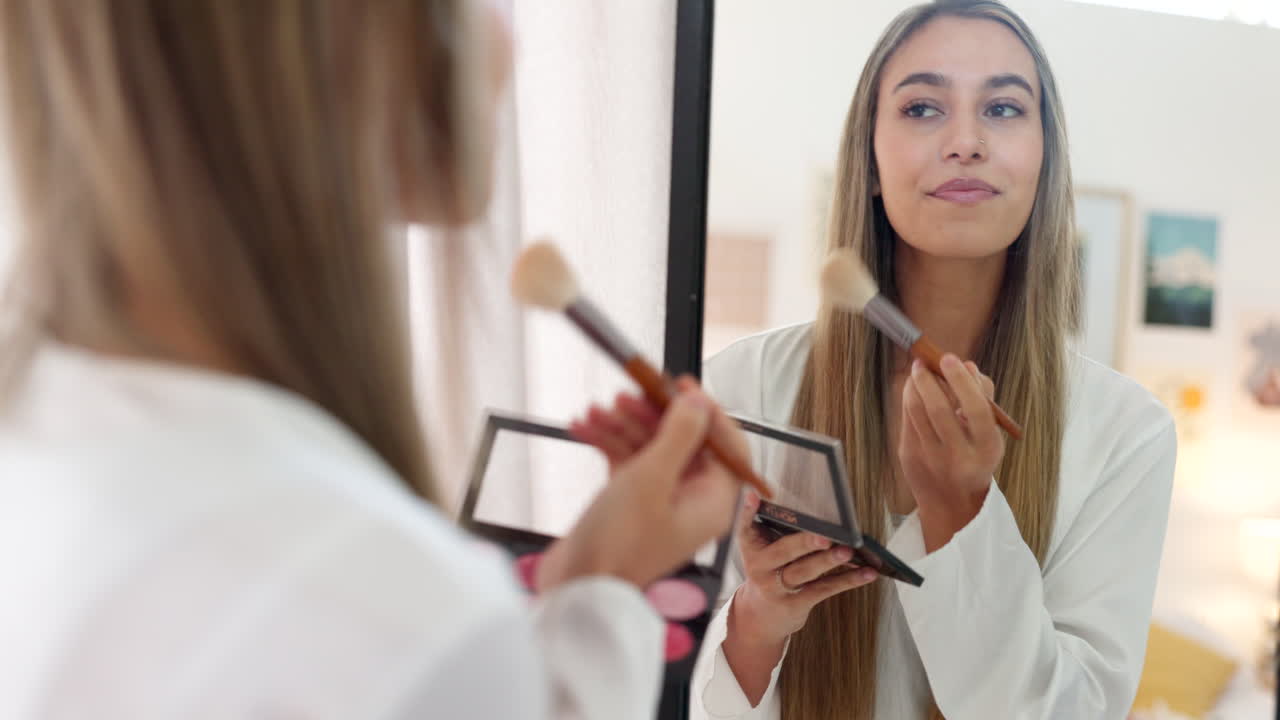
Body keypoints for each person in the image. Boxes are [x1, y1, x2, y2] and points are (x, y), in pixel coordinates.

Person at [0, 2, 746, 719]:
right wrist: (601, 601)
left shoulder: (44, 440)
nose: (509, 42)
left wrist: (591, 580)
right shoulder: (391, 622)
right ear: (348, 31)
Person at [580, 1, 1176, 718]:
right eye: (923, 107)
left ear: (1046, 160)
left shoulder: (1126, 434)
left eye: (1005, 108)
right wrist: (758, 618)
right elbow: (662, 691)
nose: (965, 140)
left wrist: (963, 514)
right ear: (867, 160)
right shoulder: (742, 387)